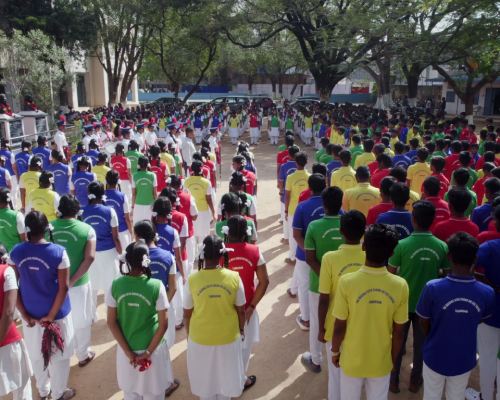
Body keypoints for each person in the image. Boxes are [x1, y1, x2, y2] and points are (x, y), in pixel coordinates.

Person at [330, 223, 408, 400]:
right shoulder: (400, 285)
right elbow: (399, 332)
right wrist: (392, 361)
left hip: (351, 360)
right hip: (381, 362)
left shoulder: (347, 282)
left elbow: (339, 326)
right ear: (392, 253)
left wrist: (334, 351)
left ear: (363, 246)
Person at [417, 232, 495, 400]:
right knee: (457, 395)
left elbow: (424, 321)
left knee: (431, 395)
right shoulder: (487, 292)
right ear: (475, 259)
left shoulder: (432, 287)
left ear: (448, 256)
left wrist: (433, 336)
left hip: (435, 353)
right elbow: (480, 318)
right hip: (464, 357)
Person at [9, 211, 76, 400]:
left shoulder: (16, 252)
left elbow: (13, 286)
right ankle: (58, 393)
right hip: (57, 315)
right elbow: (63, 287)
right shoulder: (59, 252)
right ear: (47, 229)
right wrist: (51, 315)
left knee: (37, 354)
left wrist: (24, 314)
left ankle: (43, 391)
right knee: (60, 355)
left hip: (31, 315)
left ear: (27, 230)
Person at [387, 200, 450, 393]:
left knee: (398, 340)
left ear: (413, 219)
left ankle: (394, 380)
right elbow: (446, 276)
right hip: (428, 306)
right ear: (432, 220)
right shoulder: (442, 246)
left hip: (403, 303)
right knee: (422, 344)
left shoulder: (401, 245)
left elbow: (390, 274)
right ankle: (415, 381)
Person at [107, 240, 177, 400]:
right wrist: (148, 353)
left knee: (130, 392)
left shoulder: (115, 285)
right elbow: (163, 325)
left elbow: (111, 322)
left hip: (127, 352)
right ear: (147, 260)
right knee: (155, 392)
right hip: (153, 350)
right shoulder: (156, 285)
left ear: (127, 260)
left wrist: (127, 351)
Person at [183, 235, 246, 400]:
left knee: (205, 382)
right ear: (222, 253)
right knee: (226, 380)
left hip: (200, 338)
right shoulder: (234, 277)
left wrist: (189, 334)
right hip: (229, 337)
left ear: (202, 254)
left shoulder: (192, 280)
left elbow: (187, 313)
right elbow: (241, 311)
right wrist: (241, 330)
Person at [318, 210, 366, 400]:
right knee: (354, 377)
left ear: (341, 232)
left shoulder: (329, 258)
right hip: (362, 327)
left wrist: (321, 328)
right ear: (364, 232)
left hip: (334, 325)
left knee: (336, 374)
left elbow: (324, 298)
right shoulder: (371, 256)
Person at [223, 215, 269, 391]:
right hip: (247, 309)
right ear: (246, 233)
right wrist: (251, 307)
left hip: (225, 309)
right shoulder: (255, 251)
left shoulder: (219, 251)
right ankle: (240, 380)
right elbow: (264, 282)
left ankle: (226, 381)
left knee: (226, 347)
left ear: (227, 232)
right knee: (244, 347)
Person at [51, 194, 97, 367]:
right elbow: (90, 257)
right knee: (82, 319)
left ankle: (60, 355)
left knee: (58, 319)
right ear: (77, 210)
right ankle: (83, 354)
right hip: (78, 283)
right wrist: (72, 280)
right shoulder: (87, 229)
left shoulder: (48, 227)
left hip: (54, 284)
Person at [302, 186, 345, 370]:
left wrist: (328, 278)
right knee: (344, 320)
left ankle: (316, 360)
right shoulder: (349, 223)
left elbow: (310, 259)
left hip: (318, 283)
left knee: (317, 321)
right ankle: (341, 357)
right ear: (341, 204)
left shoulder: (314, 226)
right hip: (345, 284)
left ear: (324, 206)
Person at [133, 220, 180, 379]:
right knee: (162, 344)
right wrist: (161, 307)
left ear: (137, 237)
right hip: (163, 308)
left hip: (139, 308)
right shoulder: (168, 256)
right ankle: (166, 382)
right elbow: (173, 288)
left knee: (143, 344)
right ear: (155, 235)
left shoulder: (133, 257)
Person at [291, 174, 327, 339]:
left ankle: (306, 320)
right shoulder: (332, 204)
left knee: (304, 285)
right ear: (325, 186)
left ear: (309, 188)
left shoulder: (302, 206)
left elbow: (296, 234)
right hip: (327, 254)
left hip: (305, 255)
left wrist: (309, 250)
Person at [83, 181, 122, 319]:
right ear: (103, 194)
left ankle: (92, 316)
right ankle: (110, 315)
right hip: (109, 253)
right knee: (110, 285)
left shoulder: (82, 212)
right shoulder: (110, 211)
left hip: (90, 254)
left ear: (89, 194)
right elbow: (116, 237)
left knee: (92, 286)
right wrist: (121, 254)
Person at [166, 174, 198, 276]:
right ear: (180, 185)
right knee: (189, 262)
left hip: (166, 238)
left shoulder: (162, 198)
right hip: (187, 236)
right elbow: (194, 217)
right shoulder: (189, 197)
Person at [285, 152, 311, 266]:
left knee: (293, 234)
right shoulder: (310, 177)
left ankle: (293, 257)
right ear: (307, 162)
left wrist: (286, 211)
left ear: (295, 162)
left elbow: (287, 196)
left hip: (293, 210)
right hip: (307, 209)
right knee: (305, 233)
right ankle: (306, 255)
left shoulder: (290, 177)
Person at [105, 169, 133, 249]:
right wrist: (131, 232)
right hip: (122, 232)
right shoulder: (122, 196)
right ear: (118, 181)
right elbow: (127, 218)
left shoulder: (101, 195)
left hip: (107, 232)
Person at [279, 145, 299, 248]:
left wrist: (280, 192)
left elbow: (281, 181)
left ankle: (286, 238)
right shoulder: (300, 165)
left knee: (286, 216)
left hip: (286, 194)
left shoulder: (284, 166)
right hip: (298, 195)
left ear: (288, 154)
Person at [132, 156, 158, 224]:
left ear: (138, 165)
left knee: (138, 225)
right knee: (149, 225)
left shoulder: (134, 176)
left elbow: (134, 194)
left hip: (138, 204)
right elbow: (155, 193)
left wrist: (132, 207)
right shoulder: (153, 175)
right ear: (148, 164)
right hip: (150, 204)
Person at [0, 139, 18, 207]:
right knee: (13, 192)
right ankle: (14, 207)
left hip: (2, 174)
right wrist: (17, 176)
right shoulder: (10, 154)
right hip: (11, 175)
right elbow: (14, 167)